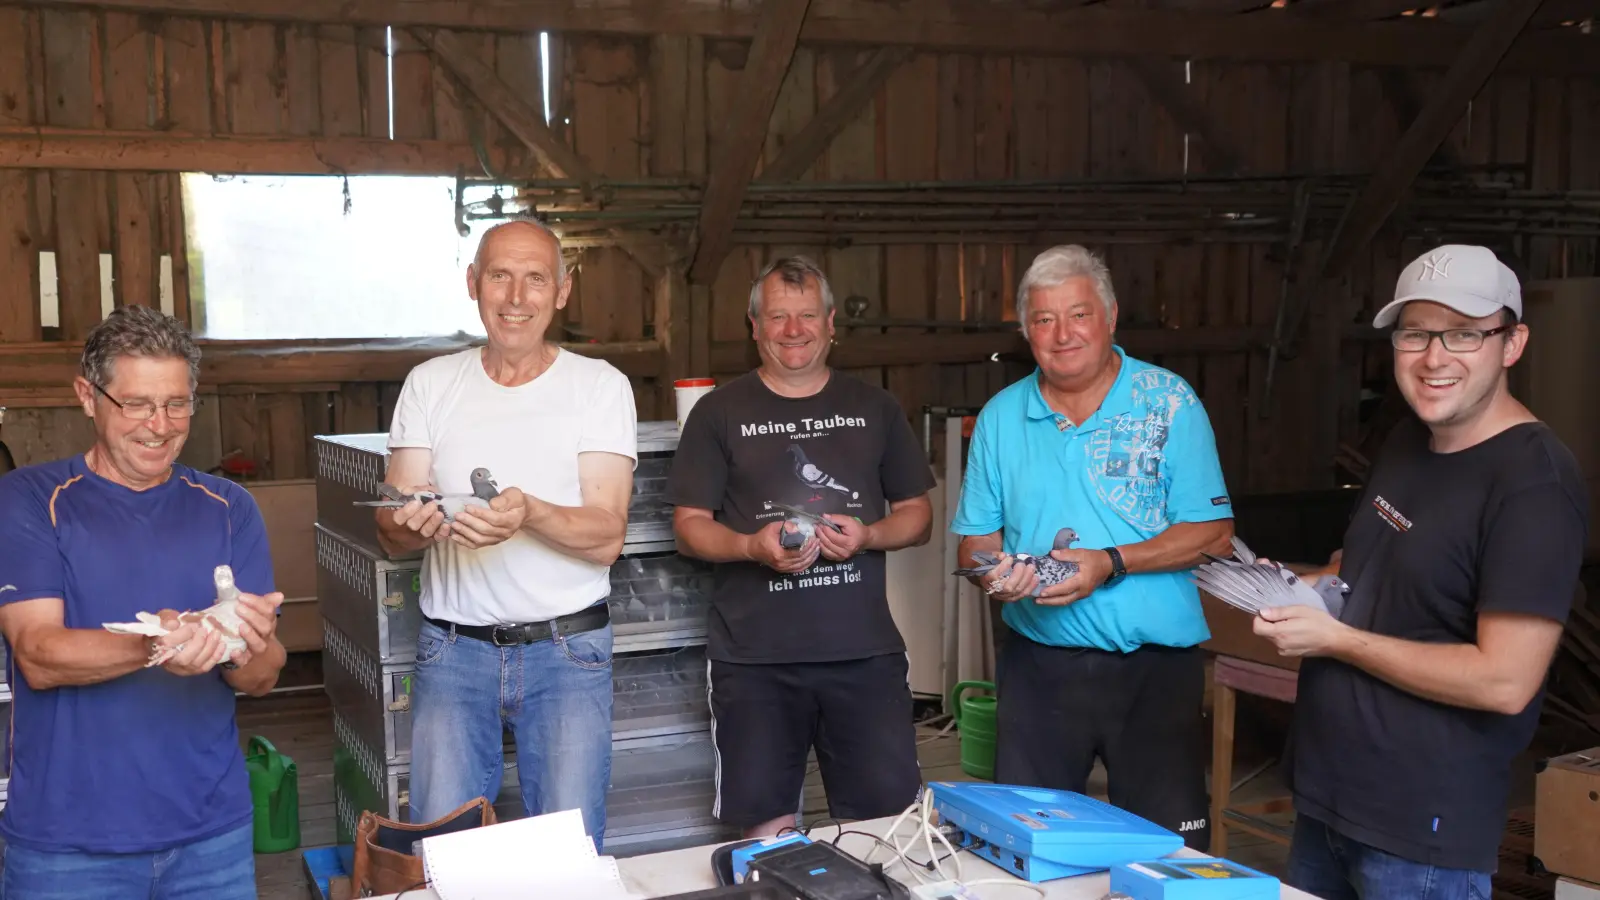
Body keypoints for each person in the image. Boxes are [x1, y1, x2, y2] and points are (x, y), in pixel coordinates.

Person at [1251, 245, 1587, 900]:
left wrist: (1338, 641)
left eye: (1464, 334)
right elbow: (1363, 567)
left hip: (1419, 834)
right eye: (1416, 334)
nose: (1435, 358)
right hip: (1329, 799)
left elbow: (1505, 680)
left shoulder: (1533, 484)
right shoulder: (1409, 441)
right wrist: (1298, 587)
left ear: (1511, 343)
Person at [950, 245, 1234, 851]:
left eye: (1078, 315)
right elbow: (973, 543)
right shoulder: (1001, 417)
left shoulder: (1169, 402)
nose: (1062, 334)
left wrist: (1111, 562)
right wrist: (992, 574)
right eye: (1044, 320)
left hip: (1155, 671)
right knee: (1026, 847)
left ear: (1109, 316)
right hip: (1039, 670)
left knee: (1166, 856)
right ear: (1027, 332)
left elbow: (1213, 534)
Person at [0, 305, 286, 899]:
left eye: (177, 403)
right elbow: (39, 655)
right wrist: (163, 644)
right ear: (88, 395)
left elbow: (260, 678)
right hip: (67, 845)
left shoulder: (229, 507)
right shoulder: (32, 500)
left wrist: (242, 640)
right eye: (137, 404)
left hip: (212, 836)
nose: (160, 426)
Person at [377, 218, 637, 848]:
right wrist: (412, 520)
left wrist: (530, 514)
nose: (516, 297)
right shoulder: (431, 383)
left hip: (567, 653)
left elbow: (606, 537)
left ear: (562, 290)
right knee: (443, 853)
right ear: (473, 283)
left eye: (535, 279)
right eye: (500, 275)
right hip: (452, 654)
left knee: (566, 856)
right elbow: (390, 528)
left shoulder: (599, 387)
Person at [666, 255, 936, 838]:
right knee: (765, 830)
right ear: (754, 326)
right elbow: (689, 524)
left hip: (863, 655)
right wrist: (750, 546)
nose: (794, 329)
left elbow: (917, 516)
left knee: (882, 829)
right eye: (778, 316)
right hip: (754, 662)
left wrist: (868, 535)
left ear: (832, 322)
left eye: (807, 315)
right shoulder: (717, 413)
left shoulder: (876, 409)